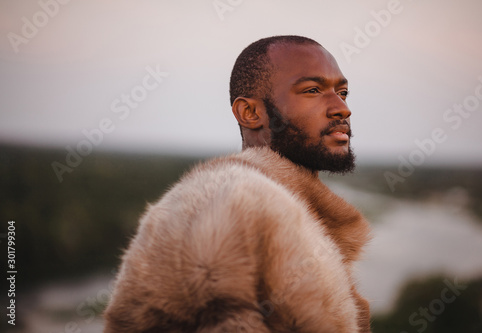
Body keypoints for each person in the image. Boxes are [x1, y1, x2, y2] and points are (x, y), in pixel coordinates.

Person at [104, 35, 371, 332]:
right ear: (250, 113)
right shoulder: (223, 203)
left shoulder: (282, 210)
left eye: (342, 92)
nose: (341, 108)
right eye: (312, 90)